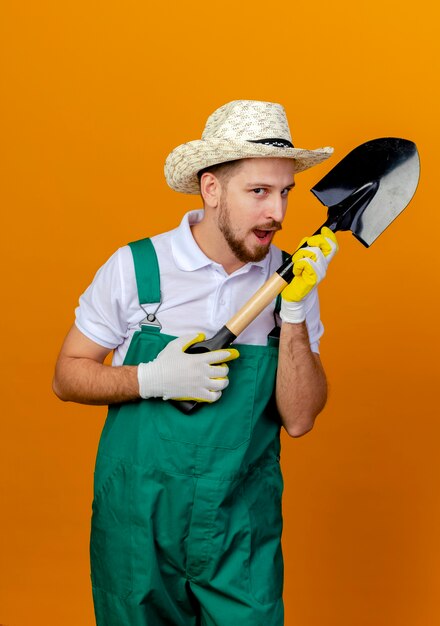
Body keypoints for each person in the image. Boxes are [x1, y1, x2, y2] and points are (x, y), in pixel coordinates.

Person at [53, 99, 338, 626]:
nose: (276, 212)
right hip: (138, 527)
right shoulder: (136, 268)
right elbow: (67, 375)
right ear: (211, 189)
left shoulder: (291, 280)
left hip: (239, 532)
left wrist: (294, 313)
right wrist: (148, 377)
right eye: (259, 192)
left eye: (284, 193)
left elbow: (299, 419)